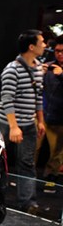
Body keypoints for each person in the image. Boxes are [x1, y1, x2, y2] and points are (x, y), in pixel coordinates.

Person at [0, 29, 47, 214]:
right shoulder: (12, 69)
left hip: (28, 124)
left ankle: (28, 202)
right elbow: (7, 99)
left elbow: (38, 96)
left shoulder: (38, 68)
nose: (44, 45)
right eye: (42, 42)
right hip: (6, 123)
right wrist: (14, 126)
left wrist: (40, 121)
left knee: (27, 163)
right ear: (31, 46)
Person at [38, 35, 63, 183]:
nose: (59, 54)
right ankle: (27, 178)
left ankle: (50, 180)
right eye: (57, 51)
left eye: (62, 51)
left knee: (57, 153)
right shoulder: (48, 67)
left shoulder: (57, 71)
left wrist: (62, 75)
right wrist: (39, 74)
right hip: (42, 115)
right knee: (32, 148)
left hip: (60, 119)